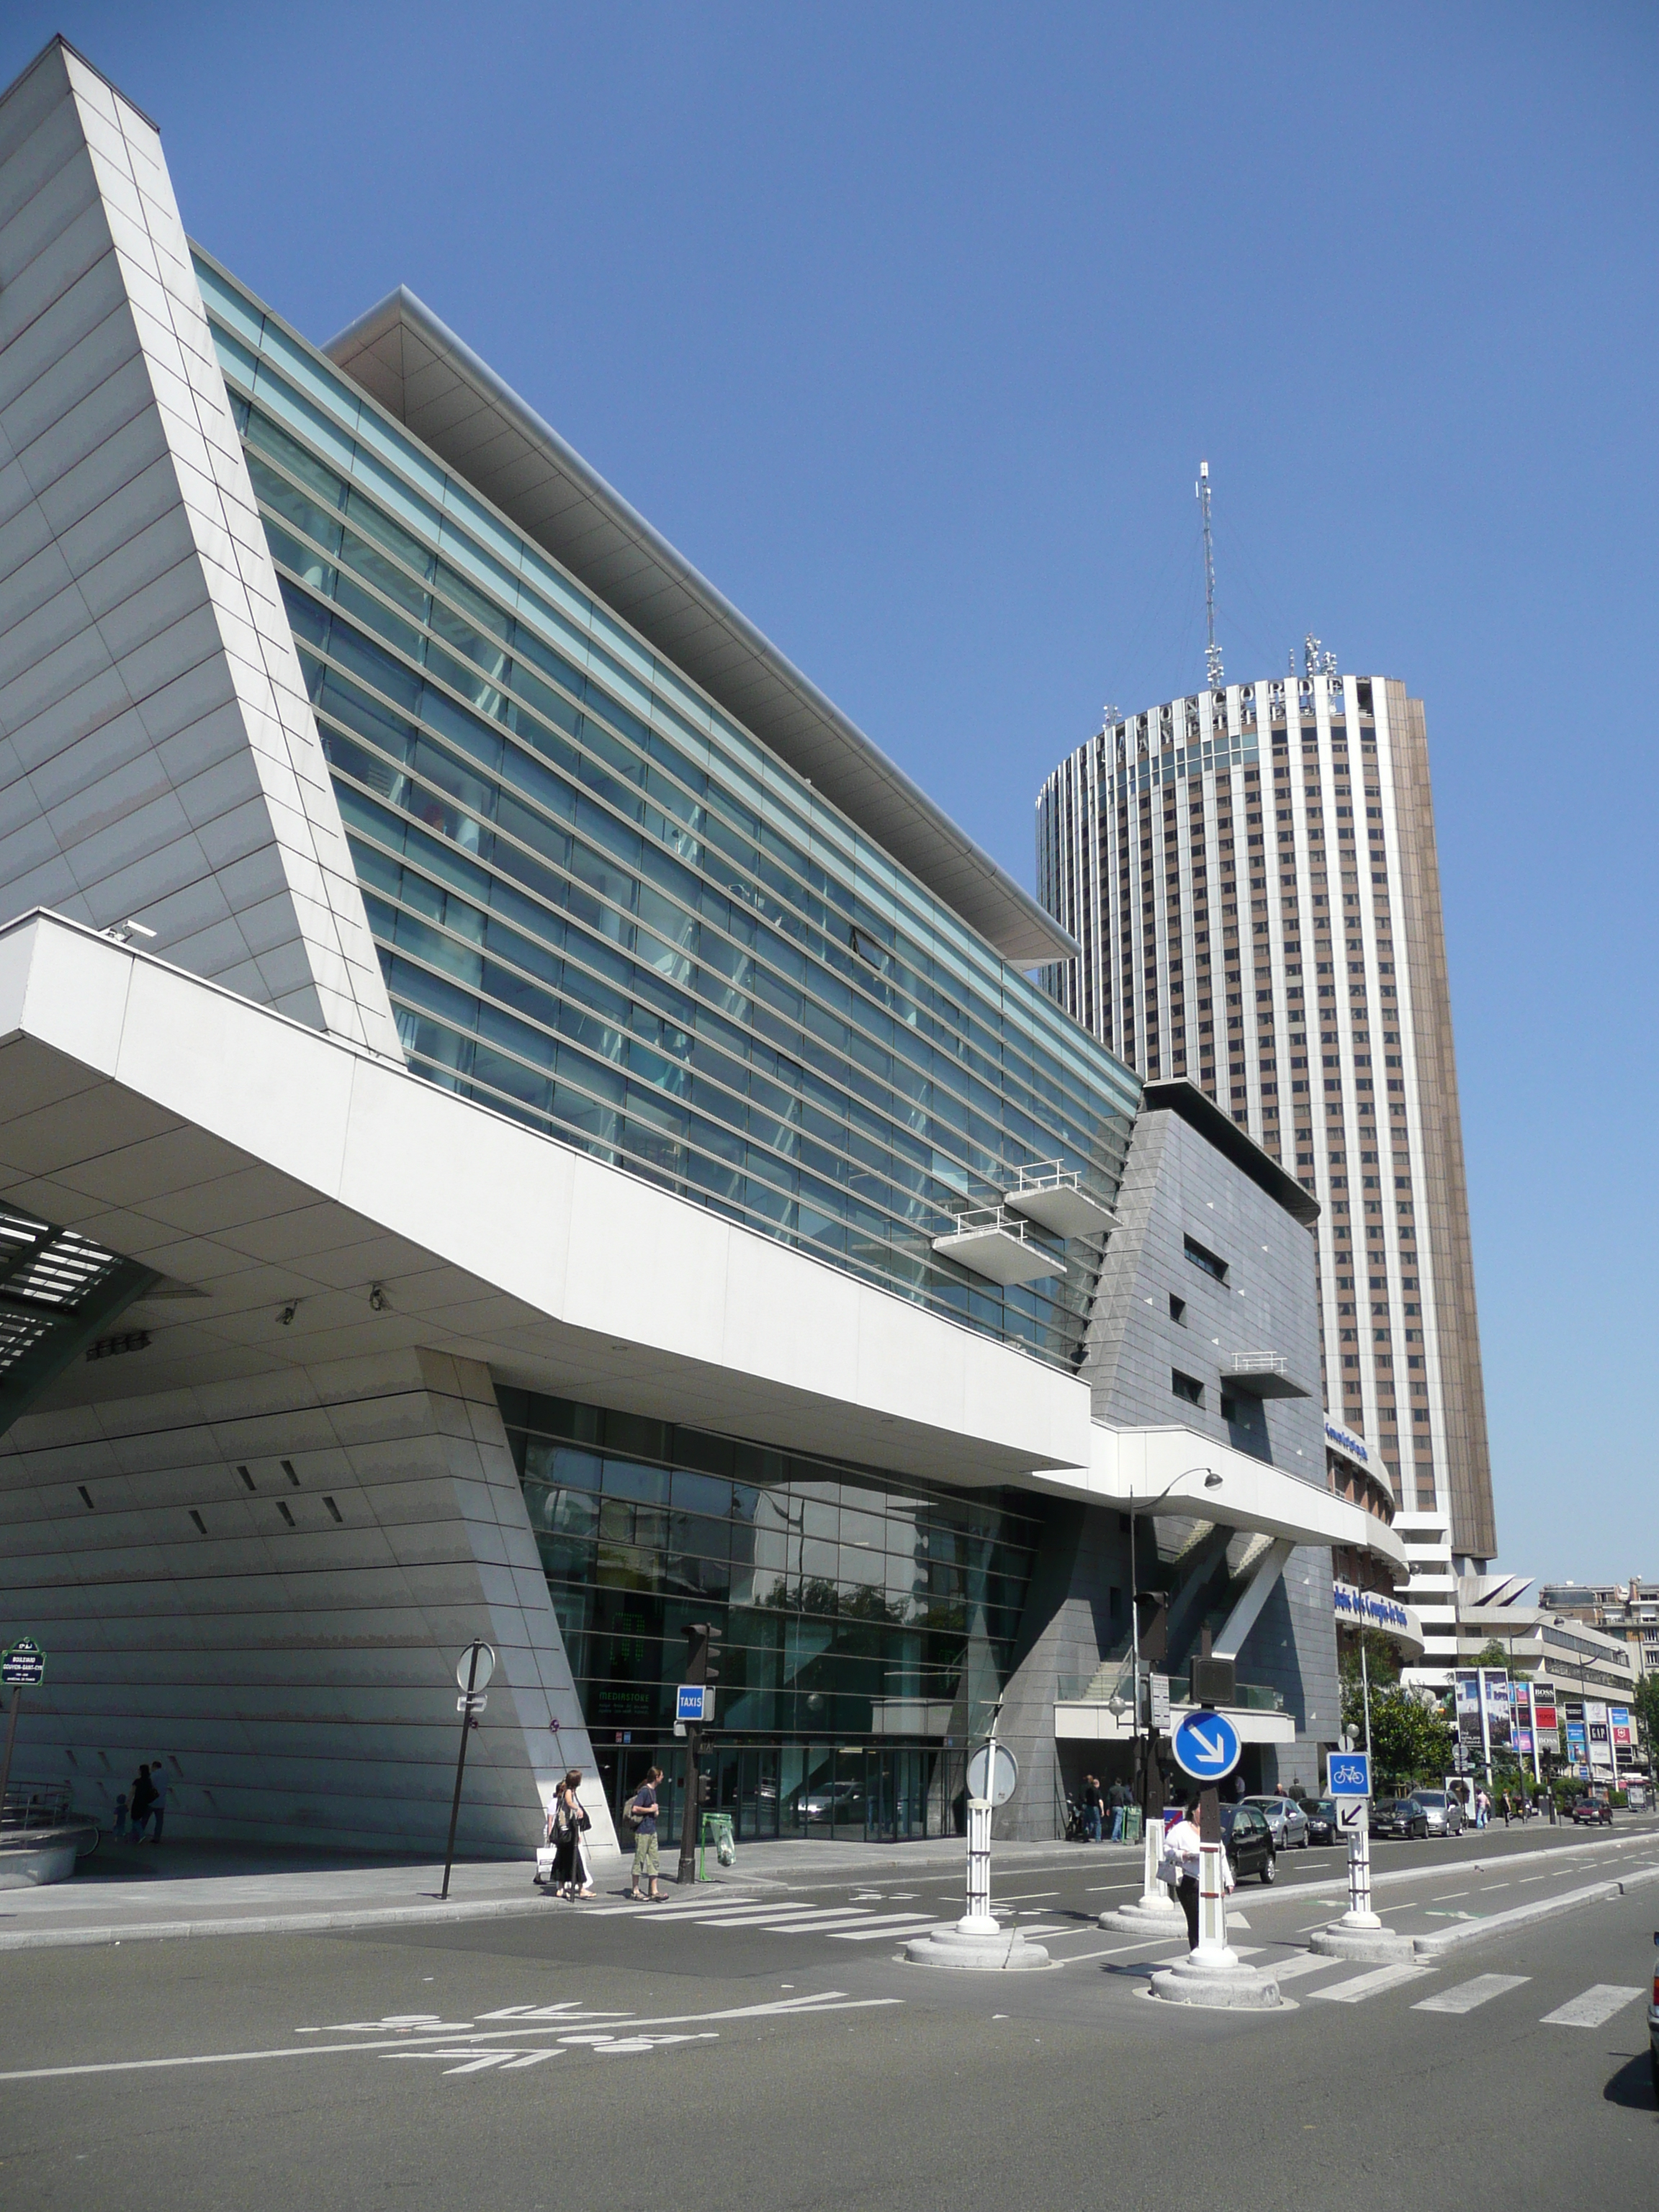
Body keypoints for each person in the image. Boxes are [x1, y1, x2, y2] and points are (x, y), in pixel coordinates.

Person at [1163, 1796, 1205, 1950]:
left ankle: (1205, 1950)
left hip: (1207, 1882)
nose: (1205, 1813)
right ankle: (1196, 1950)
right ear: (1194, 1811)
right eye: (1202, 1809)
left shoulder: (1210, 1830)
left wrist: (1227, 1881)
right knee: (1195, 1919)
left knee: (1208, 1920)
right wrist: (1183, 1855)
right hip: (1188, 1880)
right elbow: (1166, 1849)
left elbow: (1221, 1855)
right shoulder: (1181, 1829)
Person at [626, 1766, 665, 1901]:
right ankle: (635, 1890)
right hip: (642, 1831)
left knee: (654, 1860)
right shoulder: (645, 1791)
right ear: (656, 1777)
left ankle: (654, 1891)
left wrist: (655, 1812)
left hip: (651, 1830)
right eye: (661, 1775)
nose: (663, 1778)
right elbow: (635, 1808)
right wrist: (650, 1809)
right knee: (640, 1859)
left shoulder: (653, 1791)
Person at [128, 1763, 157, 1843]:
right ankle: (133, 1837)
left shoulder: (137, 1781)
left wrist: (127, 1802)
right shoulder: (149, 1781)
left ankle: (141, 1835)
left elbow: (132, 1792)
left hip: (137, 1802)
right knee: (136, 1820)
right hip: (145, 1803)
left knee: (135, 1819)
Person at [148, 1760, 169, 1843]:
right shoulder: (166, 1775)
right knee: (159, 1821)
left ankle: (139, 1835)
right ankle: (157, 1838)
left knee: (145, 1819)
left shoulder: (154, 1775)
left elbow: (150, 1786)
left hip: (152, 1801)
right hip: (161, 1801)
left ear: (154, 1766)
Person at [1081, 1773, 1104, 1843]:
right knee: (1097, 1822)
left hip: (1087, 1806)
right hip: (1095, 1807)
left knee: (1089, 1821)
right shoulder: (1097, 1791)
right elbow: (1100, 1801)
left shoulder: (1087, 1790)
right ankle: (1098, 1838)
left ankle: (1087, 1830)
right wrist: (1102, 1810)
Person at [1107, 1776, 1131, 1842]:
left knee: (1117, 1822)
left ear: (1115, 1782)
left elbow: (1108, 1799)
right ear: (1121, 1783)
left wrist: (1108, 1808)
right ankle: (1114, 1837)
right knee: (1118, 1822)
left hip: (1113, 1807)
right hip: (1120, 1807)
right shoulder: (1123, 1789)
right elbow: (1128, 1797)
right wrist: (1131, 1802)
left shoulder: (1111, 1789)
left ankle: (1120, 1836)